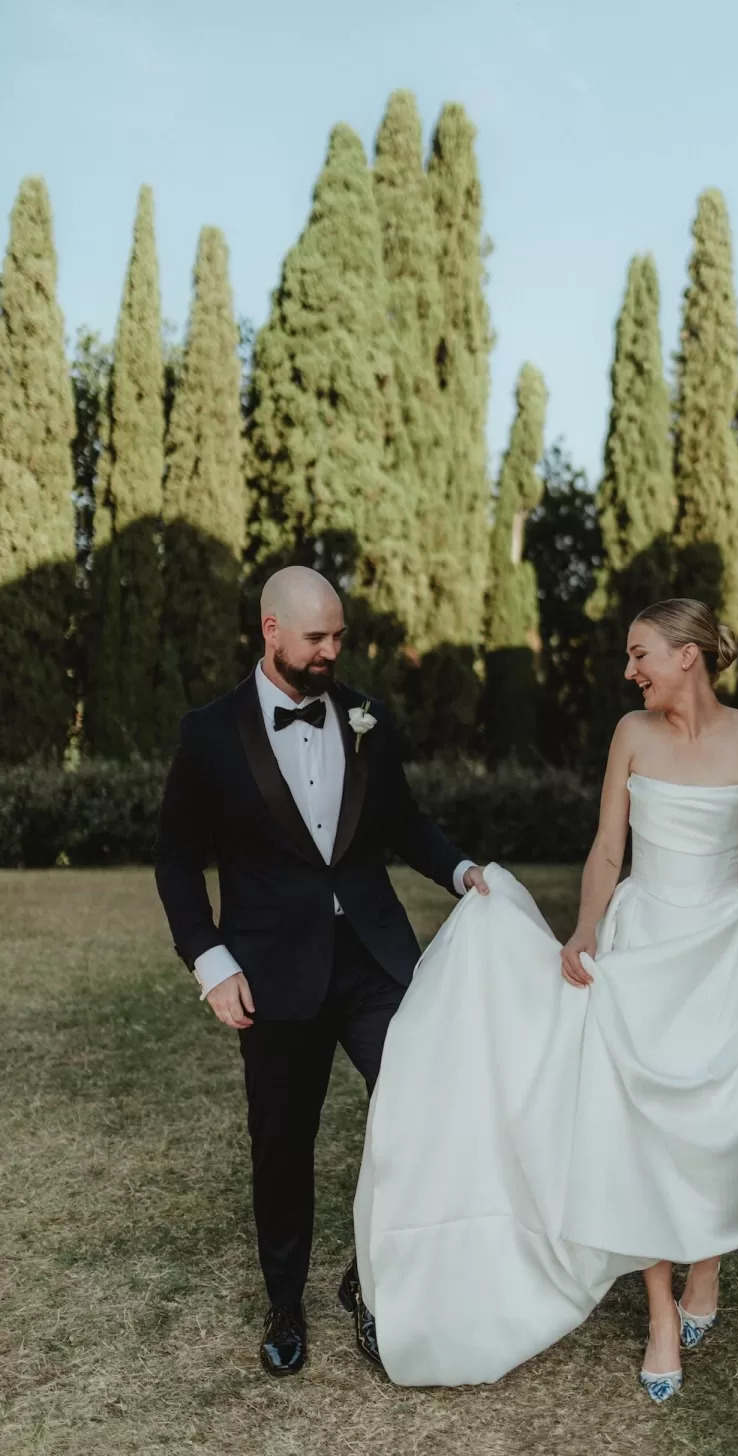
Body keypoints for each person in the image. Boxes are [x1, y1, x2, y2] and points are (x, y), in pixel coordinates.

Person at [354, 597, 738, 1401]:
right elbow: (608, 848)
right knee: (636, 1123)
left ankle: (707, 1267)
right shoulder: (631, 735)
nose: (629, 670)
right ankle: (658, 1312)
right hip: (640, 942)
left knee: (724, 1115)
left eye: (640, 653)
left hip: (722, 947)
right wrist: (584, 927)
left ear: (687, 655)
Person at [154, 566, 488, 1379]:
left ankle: (374, 1284)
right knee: (282, 1142)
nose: (332, 652)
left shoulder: (368, 715)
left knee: (422, 1114)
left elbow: (402, 821)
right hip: (272, 972)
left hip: (374, 959)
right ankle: (285, 1301)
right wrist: (211, 960)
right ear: (270, 631)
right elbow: (174, 862)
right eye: (316, 638)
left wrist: (463, 872)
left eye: (338, 637)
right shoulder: (208, 734)